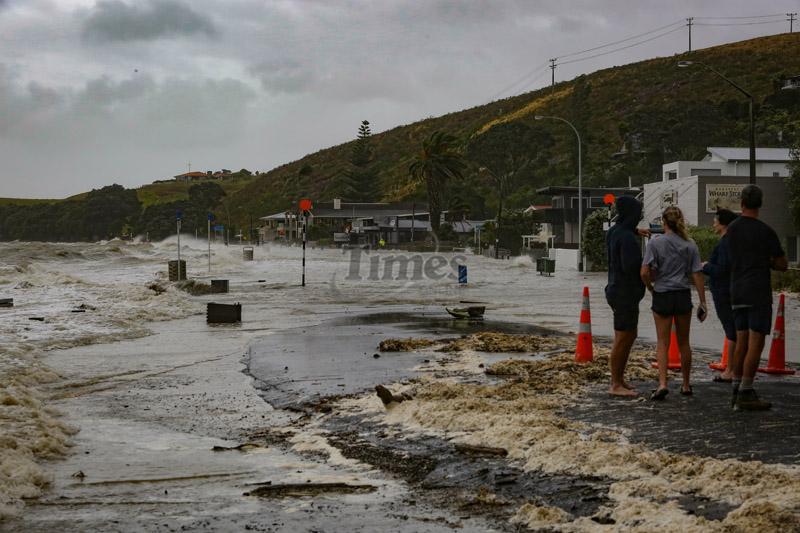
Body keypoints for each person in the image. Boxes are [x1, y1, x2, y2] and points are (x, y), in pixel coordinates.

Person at [726, 185, 788, 410]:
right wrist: (768, 261)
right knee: (756, 342)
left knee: (741, 340)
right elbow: (782, 264)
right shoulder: (765, 231)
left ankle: (735, 385)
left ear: (741, 202)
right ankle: (746, 391)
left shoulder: (731, 229)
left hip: (737, 289)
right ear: (760, 204)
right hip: (758, 291)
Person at [640, 206, 707, 400]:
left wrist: (650, 288)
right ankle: (686, 384)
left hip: (662, 294)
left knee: (663, 342)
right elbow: (697, 274)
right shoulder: (690, 244)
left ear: (663, 222)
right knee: (684, 342)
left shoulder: (655, 243)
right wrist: (703, 302)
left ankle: (662, 383)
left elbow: (644, 272)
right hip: (682, 294)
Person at [605, 196, 646, 397]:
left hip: (614, 289)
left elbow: (624, 231)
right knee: (623, 337)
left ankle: (619, 379)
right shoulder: (628, 238)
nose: (639, 216)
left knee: (629, 334)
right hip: (625, 292)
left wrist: (637, 232)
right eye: (638, 212)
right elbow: (631, 267)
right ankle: (615, 384)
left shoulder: (615, 231)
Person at [702, 209, 738, 382]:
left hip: (723, 292)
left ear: (723, 223)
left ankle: (730, 369)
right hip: (731, 290)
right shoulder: (733, 242)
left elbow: (723, 269)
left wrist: (706, 266)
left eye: (715, 220)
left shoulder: (725, 244)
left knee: (731, 330)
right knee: (734, 329)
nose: (713, 223)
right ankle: (735, 368)